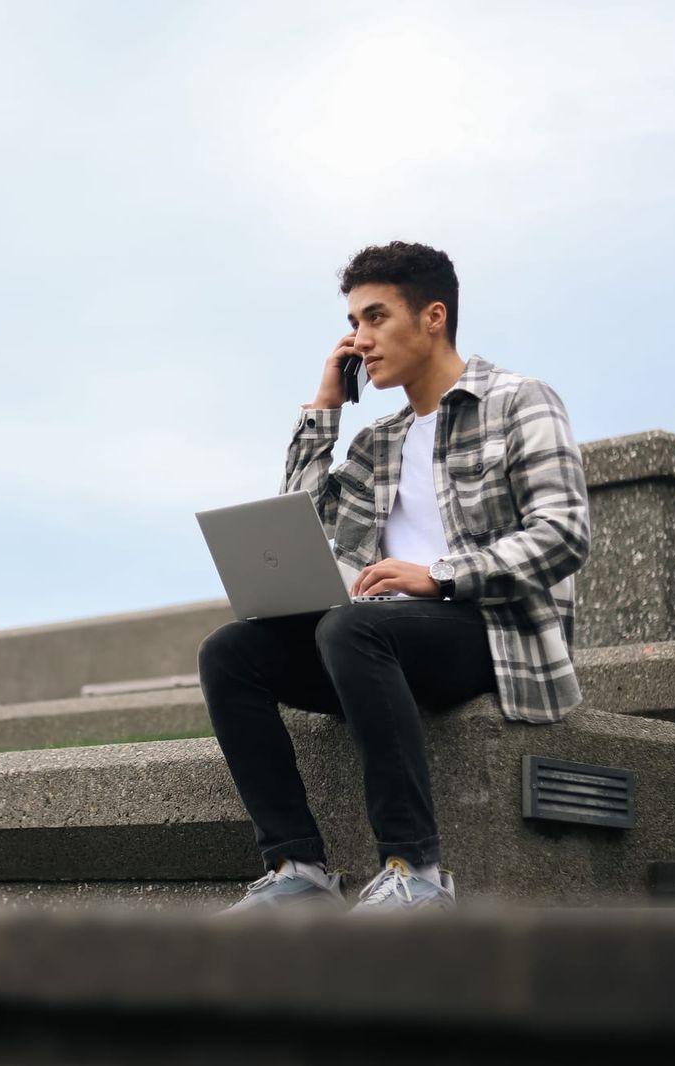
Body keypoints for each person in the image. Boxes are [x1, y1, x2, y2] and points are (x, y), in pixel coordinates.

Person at [198, 241, 590, 912]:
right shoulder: (378, 441)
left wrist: (437, 575)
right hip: (381, 639)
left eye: (375, 318)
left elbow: (563, 534)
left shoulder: (520, 401)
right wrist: (325, 405)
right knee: (231, 652)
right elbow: (303, 517)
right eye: (353, 324)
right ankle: (298, 869)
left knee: (354, 628)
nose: (360, 339)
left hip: (490, 632)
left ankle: (415, 870)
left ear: (433, 317)